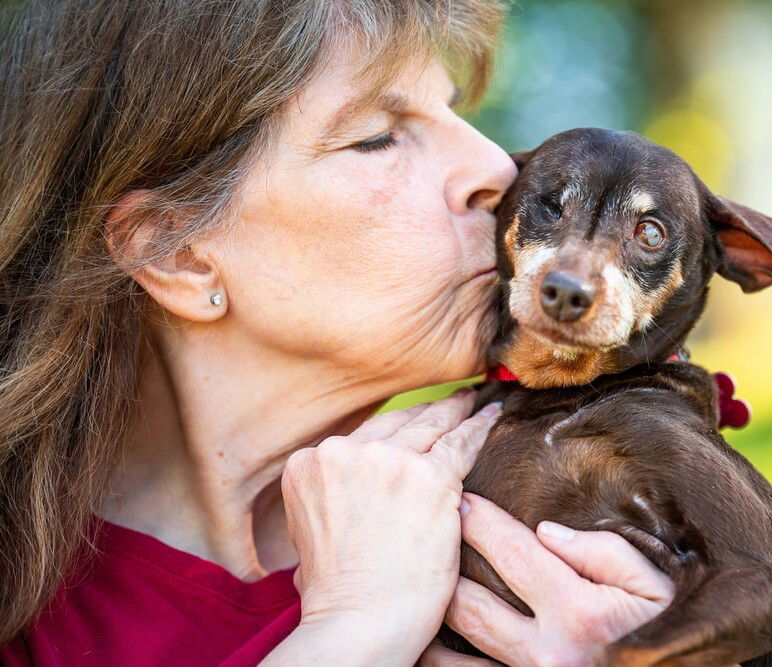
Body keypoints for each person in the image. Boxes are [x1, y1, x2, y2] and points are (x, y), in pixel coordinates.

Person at [0, 0, 675, 663]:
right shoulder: (26, 614)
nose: (499, 170)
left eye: (452, 112)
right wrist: (354, 629)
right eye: (378, 135)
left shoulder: (580, 512)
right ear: (174, 254)